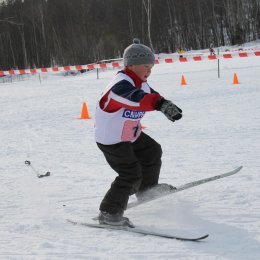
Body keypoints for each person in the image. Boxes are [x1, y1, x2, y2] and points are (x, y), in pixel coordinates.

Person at [94, 38, 182, 227]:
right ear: (132, 65)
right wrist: (157, 104)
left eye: (151, 67)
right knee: (131, 173)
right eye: (146, 66)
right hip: (112, 139)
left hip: (129, 134)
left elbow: (150, 95)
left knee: (152, 151)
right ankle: (109, 213)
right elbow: (136, 99)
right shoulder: (119, 86)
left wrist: (164, 104)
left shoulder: (140, 82)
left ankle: (147, 190)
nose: (149, 71)